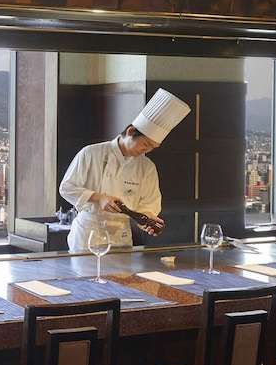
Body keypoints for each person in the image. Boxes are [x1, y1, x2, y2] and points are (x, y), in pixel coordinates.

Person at [59, 88, 191, 252]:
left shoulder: (147, 167)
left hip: (121, 237)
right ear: (130, 132)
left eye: (152, 148)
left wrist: (147, 220)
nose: (147, 150)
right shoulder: (91, 153)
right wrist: (99, 198)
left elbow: (149, 204)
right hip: (88, 236)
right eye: (145, 144)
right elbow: (66, 188)